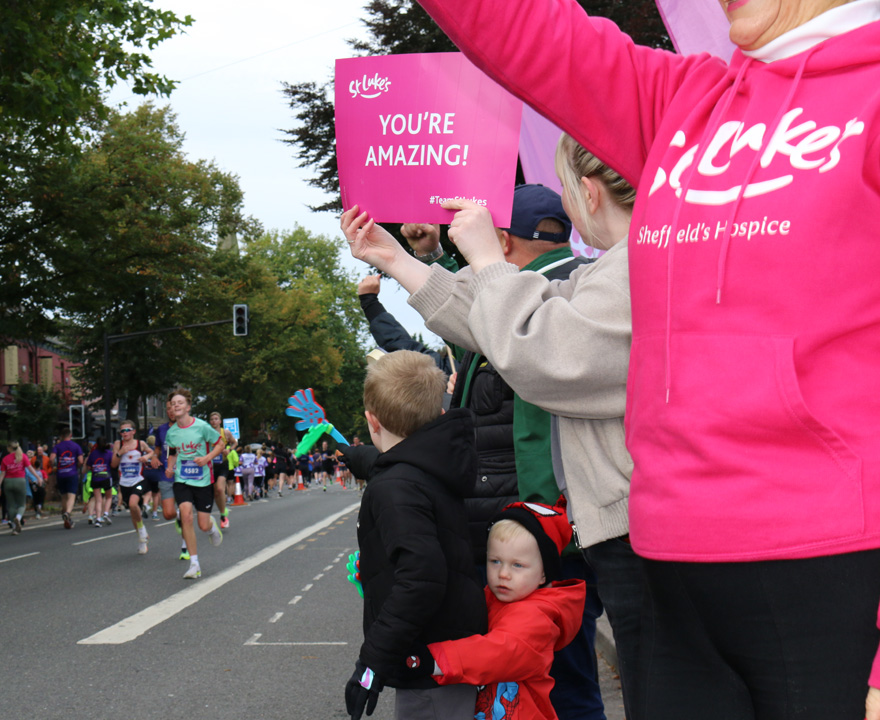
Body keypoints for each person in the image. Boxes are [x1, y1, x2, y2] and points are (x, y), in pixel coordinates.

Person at [372, 1, 880, 717]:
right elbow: (518, 25)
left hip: (830, 563)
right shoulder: (685, 102)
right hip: (668, 562)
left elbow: (548, 348)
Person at [348, 185, 607, 720]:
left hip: (536, 532)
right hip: (528, 531)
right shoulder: (553, 293)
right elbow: (467, 315)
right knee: (534, 685)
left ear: (501, 241)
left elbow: (478, 322)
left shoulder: (538, 304)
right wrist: (421, 257)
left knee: (558, 685)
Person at [340, 350, 486, 720]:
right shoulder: (435, 465)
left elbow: (420, 579)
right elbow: (400, 460)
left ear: (372, 421)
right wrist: (359, 456)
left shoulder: (394, 488)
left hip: (425, 660)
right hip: (450, 648)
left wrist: (371, 665)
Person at [422, 500, 585, 720]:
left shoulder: (538, 616)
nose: (503, 574)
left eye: (517, 565)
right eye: (495, 561)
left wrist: (435, 659)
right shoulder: (493, 597)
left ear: (544, 574)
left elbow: (499, 651)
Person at [163, 388, 223, 580]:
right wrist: (170, 467)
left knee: (203, 525)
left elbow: (220, 444)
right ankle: (194, 564)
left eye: (180, 403)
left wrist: (207, 458)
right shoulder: (171, 432)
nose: (176, 406)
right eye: (173, 404)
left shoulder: (202, 426)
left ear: (188, 407)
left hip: (203, 480)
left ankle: (212, 527)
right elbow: (172, 452)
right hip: (182, 479)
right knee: (185, 515)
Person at [112, 420, 155, 556]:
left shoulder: (140, 444)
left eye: (127, 430)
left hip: (139, 480)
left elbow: (152, 452)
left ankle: (142, 531)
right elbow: (113, 464)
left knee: (133, 503)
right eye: (122, 431)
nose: (124, 433)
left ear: (133, 431)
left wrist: (146, 456)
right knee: (133, 512)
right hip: (125, 482)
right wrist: (120, 453)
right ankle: (142, 539)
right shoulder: (118, 444)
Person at [49, 428, 83, 529]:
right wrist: (76, 466)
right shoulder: (76, 446)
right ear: (70, 435)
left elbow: (51, 458)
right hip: (72, 473)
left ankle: (66, 519)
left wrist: (53, 466)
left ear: (62, 436)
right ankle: (67, 513)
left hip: (61, 474)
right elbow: (81, 461)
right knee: (71, 495)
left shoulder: (58, 446)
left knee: (64, 496)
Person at [0, 441, 30, 536]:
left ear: (8, 448)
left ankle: (14, 527)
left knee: (11, 505)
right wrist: (38, 478)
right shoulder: (23, 456)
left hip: (8, 482)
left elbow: (2, 473)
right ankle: (18, 517)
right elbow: (30, 468)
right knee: (22, 504)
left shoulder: (5, 459)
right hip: (20, 481)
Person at [208, 412, 236, 527]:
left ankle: (223, 514)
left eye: (216, 419)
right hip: (211, 465)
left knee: (220, 489)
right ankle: (222, 512)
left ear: (220, 421)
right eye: (212, 419)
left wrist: (229, 450)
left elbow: (235, 443)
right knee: (215, 492)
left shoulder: (226, 433)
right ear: (210, 422)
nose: (214, 421)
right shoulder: (207, 433)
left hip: (223, 464)